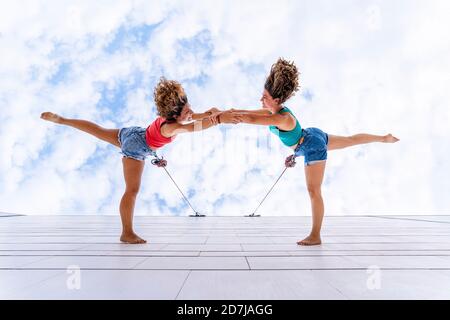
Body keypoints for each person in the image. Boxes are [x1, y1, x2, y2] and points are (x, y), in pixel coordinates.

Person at [215, 58, 399, 246]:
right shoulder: (274, 111)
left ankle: (315, 236)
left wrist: (221, 118)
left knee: (314, 191)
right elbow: (245, 112)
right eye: (262, 96)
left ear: (276, 100)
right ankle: (383, 138)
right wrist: (217, 113)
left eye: (264, 97)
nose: (261, 100)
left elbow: (250, 119)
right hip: (310, 135)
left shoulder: (282, 119)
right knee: (350, 140)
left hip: (312, 146)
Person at [41, 77, 241, 244]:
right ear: (173, 115)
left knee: (99, 131)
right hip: (137, 146)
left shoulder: (172, 118)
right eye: (186, 112)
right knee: (132, 190)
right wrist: (218, 119)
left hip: (135, 133)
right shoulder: (172, 127)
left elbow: (194, 118)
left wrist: (213, 112)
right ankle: (126, 233)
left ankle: (62, 120)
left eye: (189, 108)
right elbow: (193, 127)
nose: (190, 113)